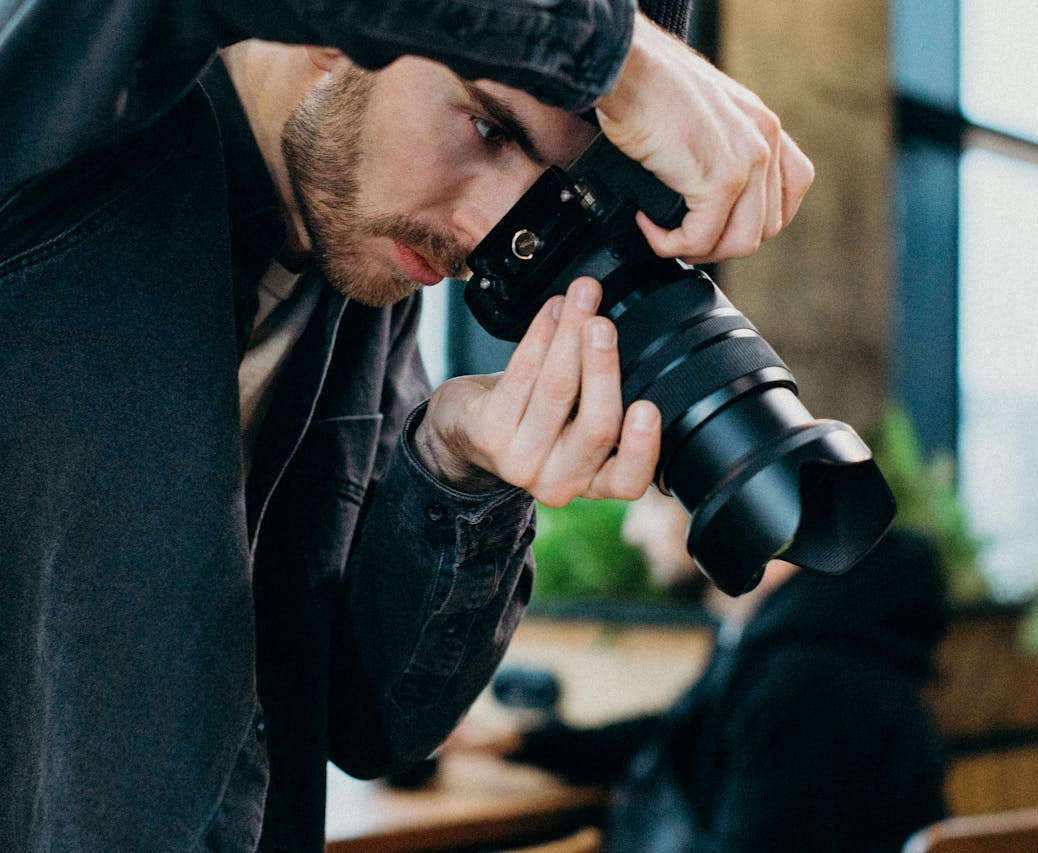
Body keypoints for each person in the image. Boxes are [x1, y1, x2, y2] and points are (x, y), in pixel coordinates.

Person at [0, 2, 814, 850]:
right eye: (489, 128)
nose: (483, 234)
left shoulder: (364, 274)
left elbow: (368, 720)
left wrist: (457, 467)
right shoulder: (70, 105)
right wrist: (624, 59)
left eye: (542, 185)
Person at [458, 489, 952, 852]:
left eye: (653, 503)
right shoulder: (777, 644)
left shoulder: (804, 683)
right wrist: (516, 743)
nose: (633, 531)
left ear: (741, 518)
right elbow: (683, 732)